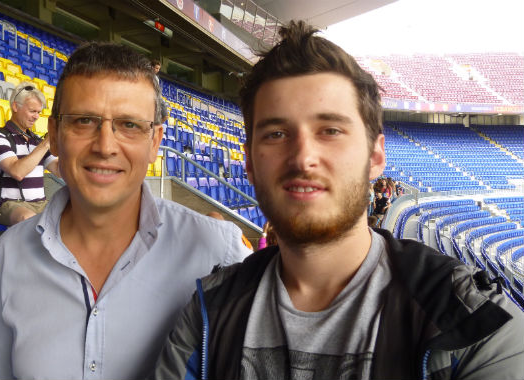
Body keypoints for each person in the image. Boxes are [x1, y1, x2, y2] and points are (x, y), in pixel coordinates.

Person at [151, 20, 524, 380]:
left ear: (376, 156)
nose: (303, 157)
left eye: (330, 130)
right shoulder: (207, 312)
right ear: (248, 162)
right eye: (277, 133)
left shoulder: (473, 321)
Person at [0, 42, 251, 380]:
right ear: (54, 135)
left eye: (129, 124)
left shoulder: (217, 250)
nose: (105, 146)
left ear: (155, 142)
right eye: (84, 121)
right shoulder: (10, 254)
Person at [0, 81, 59, 226]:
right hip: (8, 205)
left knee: (76, 215)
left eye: (39, 112)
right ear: (15, 106)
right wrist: (46, 143)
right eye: (32, 111)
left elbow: (59, 170)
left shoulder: (37, 142)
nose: (36, 117)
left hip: (41, 203)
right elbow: (17, 171)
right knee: (28, 219)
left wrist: (71, 147)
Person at [151, 59, 170, 125]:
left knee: (165, 116)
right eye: (156, 68)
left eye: (158, 69)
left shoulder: (156, 78)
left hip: (157, 96)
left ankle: (156, 125)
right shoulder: (147, 75)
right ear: (152, 67)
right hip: (150, 95)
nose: (157, 70)